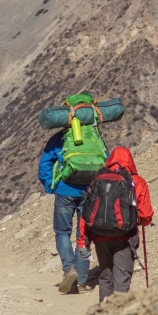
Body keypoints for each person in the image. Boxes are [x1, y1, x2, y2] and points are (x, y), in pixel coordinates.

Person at [39, 93, 108, 293]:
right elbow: (107, 161)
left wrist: (50, 185)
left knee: (62, 232)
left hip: (64, 190)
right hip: (89, 192)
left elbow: (45, 164)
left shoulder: (60, 139)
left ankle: (69, 268)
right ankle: (83, 280)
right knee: (84, 235)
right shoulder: (95, 139)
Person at [82, 146, 153, 301]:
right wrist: (142, 221)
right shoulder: (137, 182)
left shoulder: (98, 180)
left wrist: (83, 240)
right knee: (121, 280)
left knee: (105, 278)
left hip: (100, 236)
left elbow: (86, 212)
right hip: (125, 238)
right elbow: (145, 215)